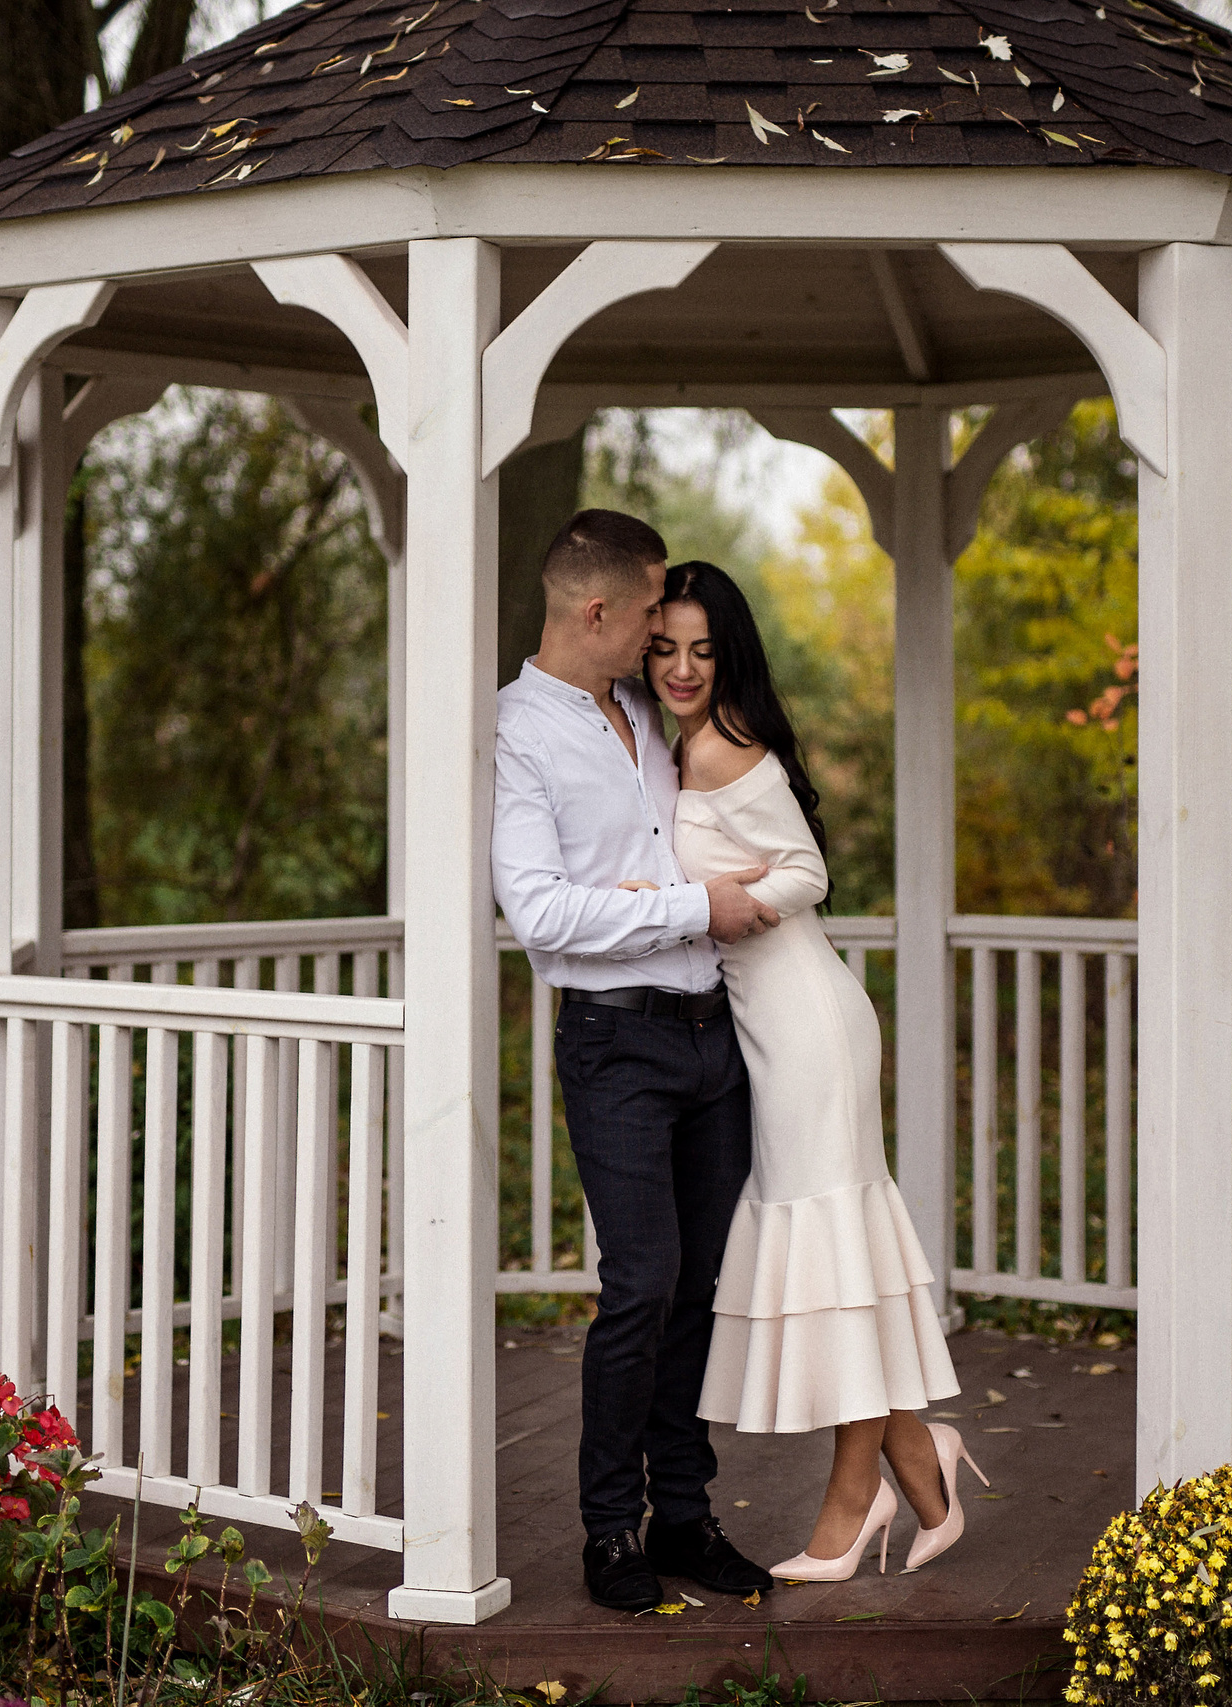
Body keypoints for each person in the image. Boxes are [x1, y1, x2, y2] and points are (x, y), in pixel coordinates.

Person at [641, 560, 976, 1581]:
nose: (683, 668)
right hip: (773, 1033)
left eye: (702, 648)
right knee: (836, 1263)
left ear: (728, 652)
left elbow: (808, 872)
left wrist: (725, 894)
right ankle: (919, 1464)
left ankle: (854, 1498)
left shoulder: (726, 745)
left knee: (830, 1263)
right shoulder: (683, 747)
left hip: (808, 1032)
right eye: (665, 648)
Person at [491, 511, 783, 1613]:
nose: (667, 626)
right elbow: (539, 913)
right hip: (615, 1042)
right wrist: (685, 907)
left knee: (701, 1289)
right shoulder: (520, 730)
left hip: (715, 1034)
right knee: (641, 1286)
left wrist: (657, 904)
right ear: (598, 610)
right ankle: (610, 1531)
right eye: (653, 604)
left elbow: (642, 871)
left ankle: (686, 1520)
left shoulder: (643, 711)